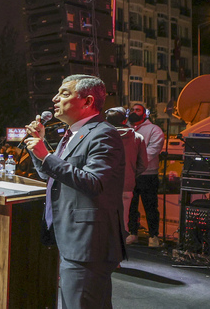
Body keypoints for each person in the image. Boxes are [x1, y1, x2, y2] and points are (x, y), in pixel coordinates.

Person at [24, 74, 125, 309]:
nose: (55, 98)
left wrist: (46, 156)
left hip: (87, 243)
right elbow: (51, 175)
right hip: (72, 238)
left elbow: (94, 182)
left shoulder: (103, 133)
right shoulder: (71, 133)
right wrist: (39, 148)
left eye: (64, 93)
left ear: (88, 101)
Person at [105, 107, 148, 244]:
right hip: (127, 184)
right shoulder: (138, 137)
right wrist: (131, 173)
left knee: (105, 222)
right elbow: (143, 164)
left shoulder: (102, 136)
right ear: (125, 120)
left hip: (105, 184)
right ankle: (119, 252)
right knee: (123, 222)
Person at [127, 103, 165, 247]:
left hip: (147, 175)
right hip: (131, 174)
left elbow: (153, 150)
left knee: (150, 206)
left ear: (144, 114)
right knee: (131, 206)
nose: (134, 112)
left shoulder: (154, 129)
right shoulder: (127, 129)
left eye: (137, 110)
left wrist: (134, 162)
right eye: (132, 109)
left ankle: (153, 236)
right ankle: (133, 233)